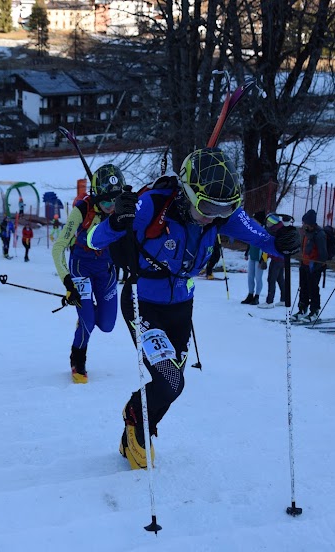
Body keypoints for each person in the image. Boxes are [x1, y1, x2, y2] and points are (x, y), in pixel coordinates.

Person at [86, 148, 300, 469]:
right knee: (171, 380)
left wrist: (284, 242)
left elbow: (264, 239)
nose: (214, 216)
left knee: (171, 385)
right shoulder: (151, 205)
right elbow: (93, 240)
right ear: (187, 193)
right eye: (208, 207)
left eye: (223, 209)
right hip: (142, 305)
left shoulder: (221, 213)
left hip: (181, 310)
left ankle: (138, 422)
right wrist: (116, 220)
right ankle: (137, 417)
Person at [52, 164, 127, 384]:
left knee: (106, 325)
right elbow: (58, 248)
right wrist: (68, 283)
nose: (111, 208)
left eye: (115, 202)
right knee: (88, 320)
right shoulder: (81, 211)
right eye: (106, 203)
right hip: (81, 267)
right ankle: (78, 358)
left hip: (106, 269)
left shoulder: (121, 210)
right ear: (96, 197)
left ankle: (88, 317)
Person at [295, 209, 327, 322]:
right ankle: (302, 309)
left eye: (305, 223)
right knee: (303, 287)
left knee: (313, 289)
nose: (303, 225)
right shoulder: (306, 232)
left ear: (310, 223)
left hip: (314, 267)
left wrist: (316, 266)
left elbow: (323, 254)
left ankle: (315, 311)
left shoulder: (319, 234)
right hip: (304, 264)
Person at [259, 213, 287, 308]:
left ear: (272, 222)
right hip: (282, 259)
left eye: (268, 222)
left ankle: (269, 302)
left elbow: (273, 246)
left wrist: (267, 257)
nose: (267, 223)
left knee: (271, 279)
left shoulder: (275, 231)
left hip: (277, 259)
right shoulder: (279, 229)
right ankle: (284, 299)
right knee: (280, 279)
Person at [241, 210, 268, 305]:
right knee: (250, 277)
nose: (253, 221)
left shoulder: (265, 231)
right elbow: (250, 241)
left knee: (258, 277)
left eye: (255, 219)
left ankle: (257, 296)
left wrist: (263, 259)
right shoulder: (253, 228)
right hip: (252, 255)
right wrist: (247, 252)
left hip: (260, 258)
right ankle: (250, 294)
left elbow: (266, 246)